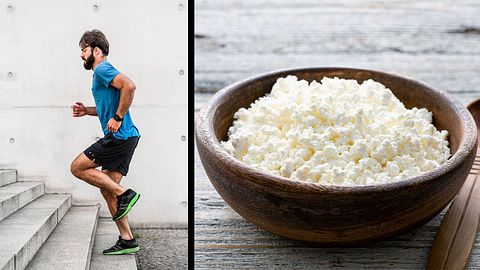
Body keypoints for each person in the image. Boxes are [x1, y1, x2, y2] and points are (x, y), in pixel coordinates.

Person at [70, 29, 141, 255]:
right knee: (107, 189)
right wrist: (87, 111)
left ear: (96, 50)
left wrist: (118, 118)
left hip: (119, 137)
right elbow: (107, 106)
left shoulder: (102, 68)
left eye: (84, 50)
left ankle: (125, 194)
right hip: (128, 137)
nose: (81, 55)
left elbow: (129, 86)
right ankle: (127, 240)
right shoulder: (101, 74)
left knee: (77, 167)